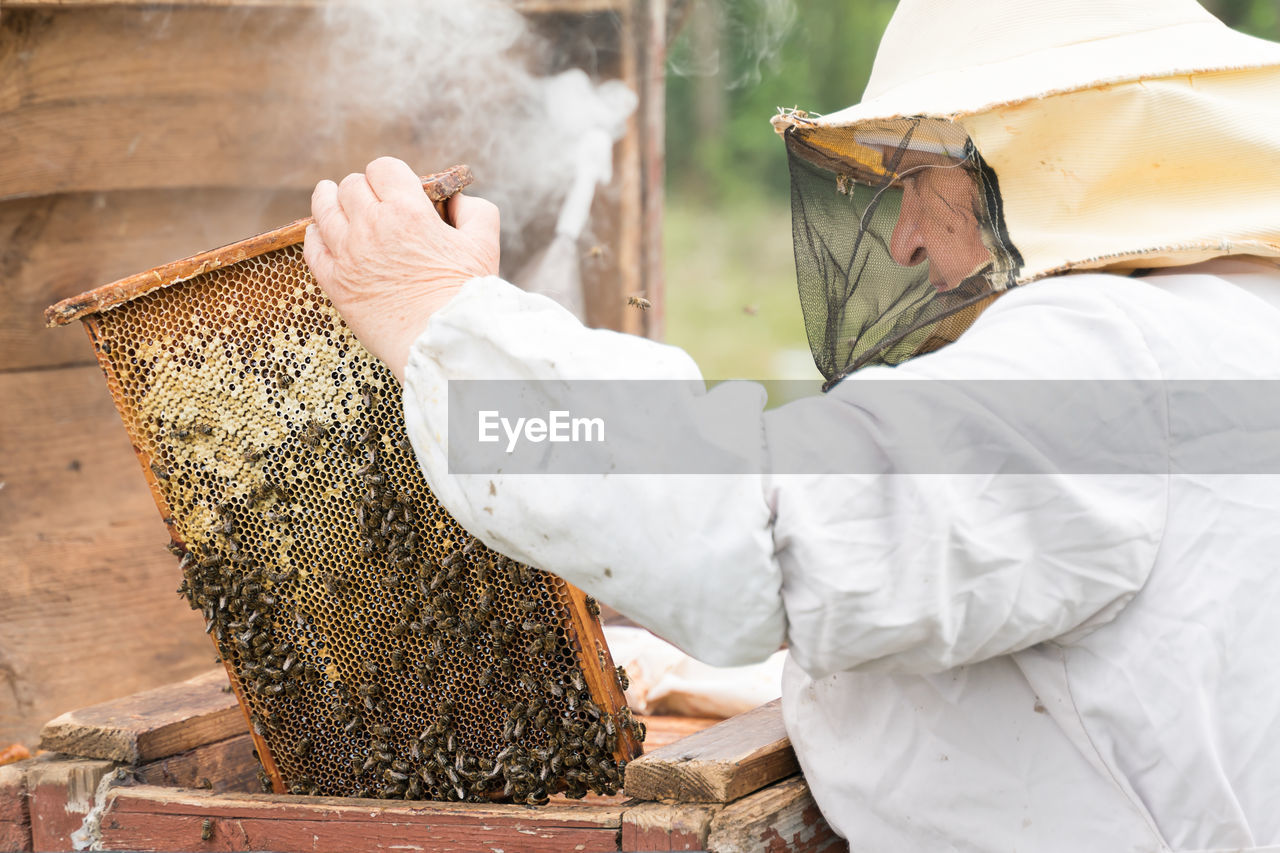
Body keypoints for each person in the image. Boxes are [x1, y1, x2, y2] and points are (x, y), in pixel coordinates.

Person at [303, 0, 1280, 847]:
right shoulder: (1225, 329)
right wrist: (714, 678)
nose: (898, 235)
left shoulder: (1097, 364)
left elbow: (740, 521)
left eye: (910, 177)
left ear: (1031, 160)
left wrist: (441, 318)